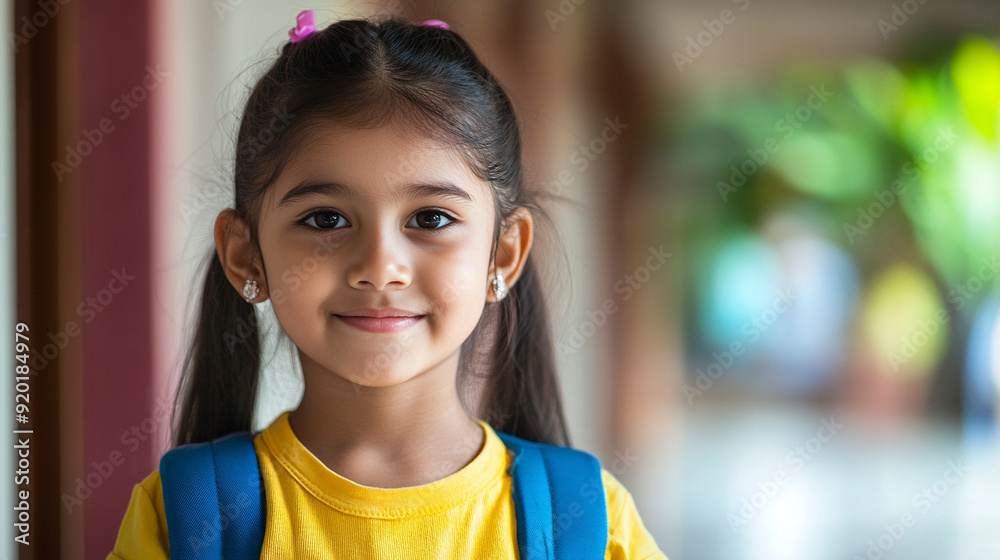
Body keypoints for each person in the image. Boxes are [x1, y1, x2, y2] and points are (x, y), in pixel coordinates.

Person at [107, 10, 668, 560]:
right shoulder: (183, 519)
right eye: (326, 219)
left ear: (503, 252)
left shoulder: (594, 527)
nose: (380, 267)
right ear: (246, 255)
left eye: (430, 219)